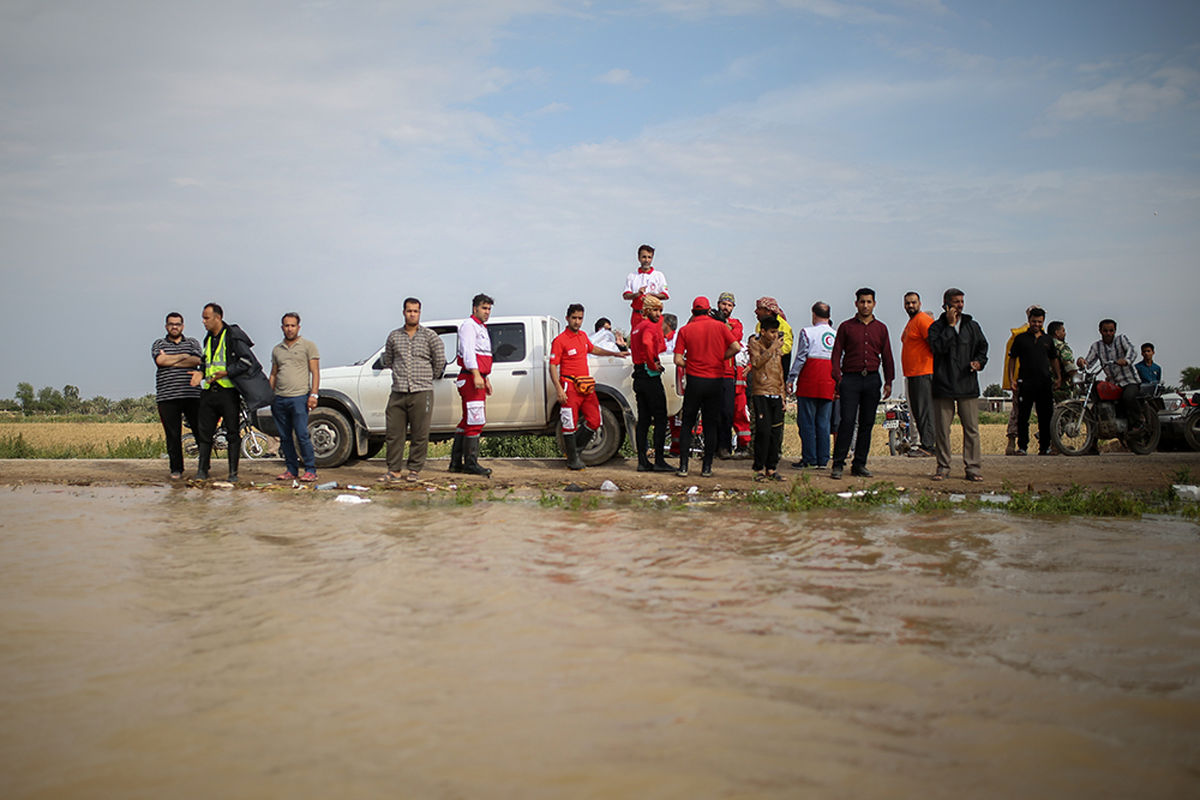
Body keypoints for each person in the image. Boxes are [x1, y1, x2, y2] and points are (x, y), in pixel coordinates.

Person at [188, 303, 264, 482]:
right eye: (203, 318)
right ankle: (202, 471)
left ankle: (233, 473)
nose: (203, 322)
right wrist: (200, 372)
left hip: (228, 393)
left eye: (207, 318)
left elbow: (247, 362)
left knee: (232, 434)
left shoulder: (233, 336)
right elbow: (206, 362)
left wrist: (227, 372)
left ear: (218, 318)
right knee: (204, 433)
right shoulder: (208, 338)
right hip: (208, 392)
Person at [549, 303, 628, 470]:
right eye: (574, 318)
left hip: (585, 386)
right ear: (567, 318)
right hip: (569, 385)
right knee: (569, 423)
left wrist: (615, 353)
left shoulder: (583, 336)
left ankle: (574, 450)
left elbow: (595, 349)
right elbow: (552, 366)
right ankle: (572, 459)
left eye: (580, 318)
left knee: (595, 420)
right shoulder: (560, 340)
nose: (577, 322)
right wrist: (558, 389)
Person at [829, 288, 894, 480]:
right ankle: (838, 464)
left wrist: (889, 381)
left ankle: (859, 464)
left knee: (867, 423)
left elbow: (887, 355)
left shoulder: (881, 328)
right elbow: (836, 354)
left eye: (869, 302)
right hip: (850, 379)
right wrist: (837, 377)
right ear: (856, 303)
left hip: (872, 379)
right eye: (862, 302)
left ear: (874, 304)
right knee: (847, 421)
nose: (865, 305)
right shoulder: (846, 327)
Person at [379, 298, 445, 483]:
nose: (412, 314)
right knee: (394, 433)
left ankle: (414, 470)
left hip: (421, 390)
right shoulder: (394, 336)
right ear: (403, 312)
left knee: (420, 433)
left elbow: (439, 360)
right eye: (409, 311)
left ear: (420, 313)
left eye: (415, 311)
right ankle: (394, 470)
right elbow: (390, 360)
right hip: (398, 391)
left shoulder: (430, 336)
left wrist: (427, 376)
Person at [674, 297, 740, 477]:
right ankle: (707, 468)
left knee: (688, 423)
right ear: (709, 309)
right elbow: (736, 347)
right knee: (711, 423)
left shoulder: (685, 330)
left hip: (695, 380)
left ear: (693, 311)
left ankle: (683, 467)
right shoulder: (720, 327)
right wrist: (720, 358)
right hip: (715, 379)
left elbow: (677, 359)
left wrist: (691, 363)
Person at [927, 288, 988, 482]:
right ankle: (943, 467)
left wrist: (979, 362)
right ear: (946, 305)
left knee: (971, 429)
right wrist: (951, 326)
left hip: (967, 384)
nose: (960, 305)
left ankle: (973, 468)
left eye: (962, 301)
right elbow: (937, 348)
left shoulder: (972, 326)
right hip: (943, 385)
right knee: (943, 430)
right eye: (955, 302)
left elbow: (982, 348)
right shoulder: (936, 328)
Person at [269, 312, 320, 482]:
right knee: (284, 437)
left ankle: (310, 470)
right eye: (286, 325)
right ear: (282, 327)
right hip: (279, 398)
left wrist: (314, 394)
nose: (289, 329)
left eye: (292, 325)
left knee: (302, 434)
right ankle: (291, 469)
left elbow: (315, 372)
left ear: (298, 327)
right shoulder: (277, 350)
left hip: (299, 398)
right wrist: (269, 395)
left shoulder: (308, 346)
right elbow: (274, 374)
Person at [152, 312, 203, 479]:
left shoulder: (192, 342)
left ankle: (203, 467)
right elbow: (160, 361)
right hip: (167, 396)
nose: (175, 327)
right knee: (173, 435)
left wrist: (170, 359)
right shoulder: (158, 343)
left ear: (183, 326)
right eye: (171, 324)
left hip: (192, 395)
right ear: (166, 326)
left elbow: (197, 361)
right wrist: (182, 356)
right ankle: (176, 469)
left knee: (200, 432)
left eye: (178, 324)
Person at [786, 302, 836, 469]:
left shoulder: (807, 333)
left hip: (809, 381)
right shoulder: (836, 335)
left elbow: (801, 358)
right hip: (829, 382)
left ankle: (809, 458)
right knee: (823, 423)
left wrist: (791, 378)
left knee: (807, 422)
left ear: (814, 314)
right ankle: (823, 459)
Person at [1008, 306, 1061, 456]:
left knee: (1046, 417)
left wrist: (1058, 377)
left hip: (1044, 383)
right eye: (1033, 321)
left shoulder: (1048, 340)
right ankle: (1022, 447)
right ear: (1029, 321)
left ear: (1043, 322)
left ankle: (1045, 447)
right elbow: (1012, 359)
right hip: (1025, 382)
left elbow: (1054, 359)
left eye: (1039, 322)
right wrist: (1012, 379)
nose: (1036, 324)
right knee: (1023, 416)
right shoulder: (1020, 339)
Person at [453, 293, 495, 477]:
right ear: (475, 308)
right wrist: (477, 374)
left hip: (477, 377)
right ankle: (471, 463)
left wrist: (485, 378)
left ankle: (456, 463)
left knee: (466, 421)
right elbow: (469, 353)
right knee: (476, 420)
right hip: (471, 377)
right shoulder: (469, 326)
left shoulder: (481, 327)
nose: (487, 312)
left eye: (489, 309)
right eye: (484, 308)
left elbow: (482, 355)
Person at [630, 296, 674, 472]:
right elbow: (648, 343)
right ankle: (659, 461)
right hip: (649, 376)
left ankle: (642, 461)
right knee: (661, 418)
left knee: (644, 420)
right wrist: (652, 363)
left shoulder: (636, 328)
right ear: (647, 310)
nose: (658, 314)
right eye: (655, 310)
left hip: (638, 376)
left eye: (660, 310)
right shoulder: (648, 326)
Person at [1077, 319, 1144, 430]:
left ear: (1115, 331)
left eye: (1111, 331)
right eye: (1105, 331)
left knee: (1128, 397)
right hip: (1113, 383)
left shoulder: (1121, 339)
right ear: (1100, 331)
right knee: (1097, 400)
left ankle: (1138, 424)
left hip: (1129, 380)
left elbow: (1132, 350)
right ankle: (1094, 438)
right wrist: (1081, 362)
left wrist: (1126, 360)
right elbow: (1088, 362)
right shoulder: (1096, 346)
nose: (1108, 333)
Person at [748, 314, 786, 481]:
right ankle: (758, 469)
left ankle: (771, 468)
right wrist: (771, 349)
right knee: (763, 432)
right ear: (762, 331)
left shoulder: (777, 348)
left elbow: (780, 372)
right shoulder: (755, 344)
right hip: (761, 392)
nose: (774, 336)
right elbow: (756, 363)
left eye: (776, 332)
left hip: (776, 393)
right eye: (771, 332)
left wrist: (783, 395)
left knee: (775, 433)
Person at [900, 291, 936, 457]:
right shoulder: (911, 322)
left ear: (920, 303)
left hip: (923, 372)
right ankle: (925, 444)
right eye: (907, 303)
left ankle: (928, 446)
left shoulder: (922, 320)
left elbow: (934, 343)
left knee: (924, 410)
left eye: (913, 302)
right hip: (913, 373)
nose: (910, 306)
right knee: (917, 411)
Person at [715, 292, 750, 458]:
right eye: (723, 304)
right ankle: (712, 447)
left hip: (728, 372)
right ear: (718, 304)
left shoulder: (736, 323)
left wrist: (722, 327)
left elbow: (734, 338)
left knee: (727, 412)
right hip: (710, 370)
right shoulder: (710, 321)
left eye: (729, 305)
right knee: (711, 411)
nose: (726, 308)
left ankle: (725, 447)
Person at [1001, 307, 1037, 455]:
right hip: (1023, 379)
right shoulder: (1022, 335)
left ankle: (1013, 442)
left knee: (1017, 412)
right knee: (1021, 412)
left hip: (1021, 379)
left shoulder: (1016, 335)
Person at [622, 244, 669, 333]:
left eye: (649, 257)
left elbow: (665, 295)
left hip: (652, 316)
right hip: (637, 315)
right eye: (644, 257)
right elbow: (626, 295)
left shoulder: (658, 275)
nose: (647, 260)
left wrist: (652, 296)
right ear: (639, 258)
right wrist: (637, 294)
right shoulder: (632, 276)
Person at [754, 297, 793, 378]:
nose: (756, 311)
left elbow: (786, 348)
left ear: (768, 311)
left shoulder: (784, 326)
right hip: (762, 370)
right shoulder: (759, 325)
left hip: (777, 372)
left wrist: (771, 350)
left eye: (759, 309)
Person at [1047, 321, 1078, 401]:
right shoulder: (1062, 347)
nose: (1065, 333)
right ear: (1057, 333)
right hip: (1061, 387)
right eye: (1063, 331)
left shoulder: (1043, 345)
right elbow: (1070, 368)